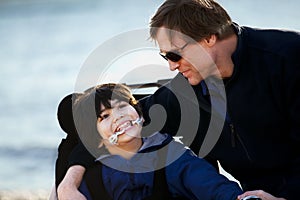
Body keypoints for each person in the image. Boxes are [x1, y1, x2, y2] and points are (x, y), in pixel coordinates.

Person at [56, 0, 300, 199]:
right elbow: (97, 121)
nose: (172, 66)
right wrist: (69, 182)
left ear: (209, 37)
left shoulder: (288, 59)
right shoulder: (184, 93)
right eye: (165, 57)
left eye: (175, 54)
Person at [62, 83, 243, 200]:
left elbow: (211, 186)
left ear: (138, 111)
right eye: (105, 116)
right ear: (95, 135)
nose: (119, 116)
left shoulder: (171, 156)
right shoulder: (93, 173)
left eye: (122, 106)